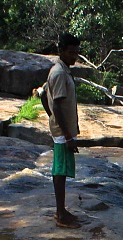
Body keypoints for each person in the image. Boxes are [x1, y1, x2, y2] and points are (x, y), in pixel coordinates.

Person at [44, 33, 82, 229]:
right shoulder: (59, 73)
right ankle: (60, 214)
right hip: (62, 132)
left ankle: (62, 210)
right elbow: (57, 105)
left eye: (76, 52)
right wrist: (67, 135)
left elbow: (43, 94)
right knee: (60, 170)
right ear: (61, 51)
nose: (74, 56)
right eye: (70, 52)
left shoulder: (63, 70)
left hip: (64, 129)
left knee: (63, 170)